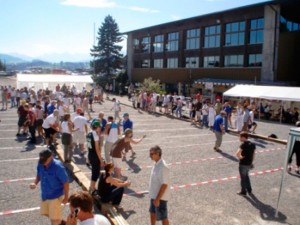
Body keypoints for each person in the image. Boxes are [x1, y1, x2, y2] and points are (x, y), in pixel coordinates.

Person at [29, 149, 69, 225]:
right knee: (48, 214)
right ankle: (62, 223)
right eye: (41, 160)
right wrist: (35, 183)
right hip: (45, 195)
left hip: (55, 196)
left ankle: (58, 222)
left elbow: (66, 182)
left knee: (54, 220)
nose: (43, 163)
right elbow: (39, 174)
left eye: (45, 161)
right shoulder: (41, 163)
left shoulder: (58, 167)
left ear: (51, 157)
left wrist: (66, 197)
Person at [149, 145, 170, 225]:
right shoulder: (156, 164)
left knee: (163, 218)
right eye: (150, 154)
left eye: (152, 154)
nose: (150, 156)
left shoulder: (163, 167)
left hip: (160, 197)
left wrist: (157, 199)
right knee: (152, 213)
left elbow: (164, 184)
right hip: (154, 196)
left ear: (158, 153)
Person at [86, 119, 104, 194]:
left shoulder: (89, 133)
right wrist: (101, 160)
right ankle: (92, 188)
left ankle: (92, 187)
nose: (100, 128)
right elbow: (97, 149)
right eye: (99, 127)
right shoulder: (95, 135)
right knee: (95, 173)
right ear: (97, 127)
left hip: (90, 154)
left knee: (94, 171)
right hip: (95, 155)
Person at [236, 132, 256, 196]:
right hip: (249, 163)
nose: (239, 138)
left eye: (240, 137)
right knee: (247, 176)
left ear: (243, 137)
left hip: (243, 163)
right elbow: (253, 154)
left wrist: (240, 157)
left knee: (243, 178)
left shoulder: (243, 145)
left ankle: (243, 191)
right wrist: (251, 162)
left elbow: (237, 153)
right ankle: (249, 190)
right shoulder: (253, 144)